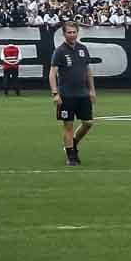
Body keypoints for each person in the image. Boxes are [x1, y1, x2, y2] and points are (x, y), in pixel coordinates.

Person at [49, 21, 95, 166]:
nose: (72, 35)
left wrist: (92, 90)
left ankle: (73, 143)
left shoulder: (83, 49)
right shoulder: (60, 51)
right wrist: (55, 93)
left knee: (88, 123)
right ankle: (71, 156)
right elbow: (52, 73)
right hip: (66, 95)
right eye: (69, 32)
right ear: (64, 34)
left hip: (83, 94)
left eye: (74, 32)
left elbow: (88, 71)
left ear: (77, 33)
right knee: (68, 125)